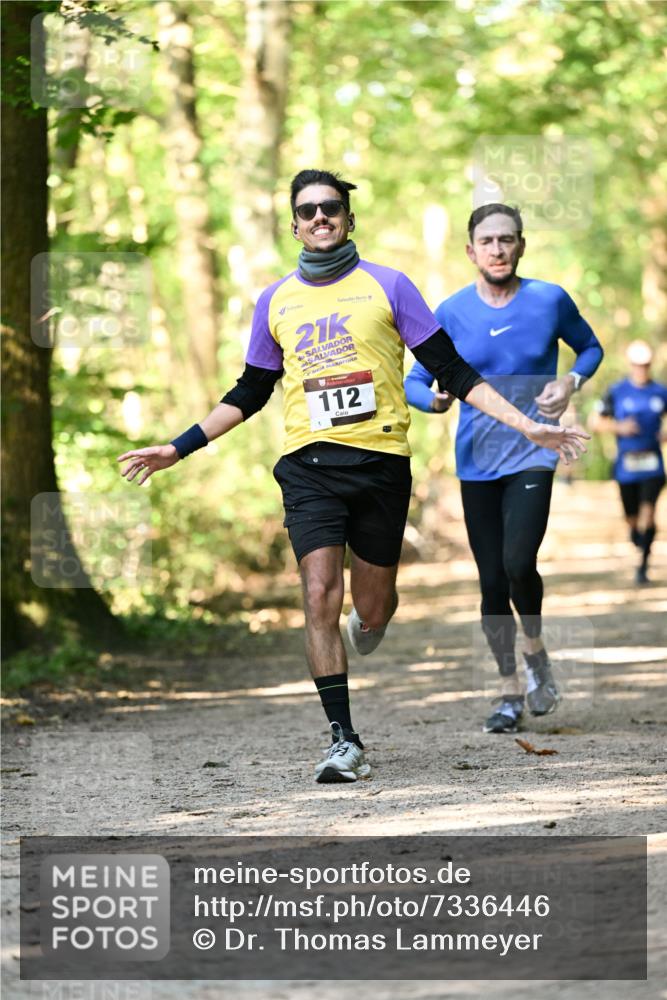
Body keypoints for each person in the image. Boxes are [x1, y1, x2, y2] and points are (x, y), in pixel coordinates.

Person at [118, 176, 589, 781]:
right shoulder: (275, 300)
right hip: (308, 467)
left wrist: (531, 428)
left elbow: (452, 371)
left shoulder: (389, 286)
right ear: (295, 225)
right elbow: (252, 390)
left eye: (330, 207)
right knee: (319, 594)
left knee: (372, 610)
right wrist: (177, 447)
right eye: (307, 210)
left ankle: (373, 616)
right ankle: (344, 739)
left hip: (380, 466)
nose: (320, 216)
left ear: (348, 217)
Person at [405, 203, 603, 735]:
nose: (497, 249)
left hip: (535, 452)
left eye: (506, 239)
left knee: (518, 562)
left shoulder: (549, 299)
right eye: (487, 241)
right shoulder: (450, 311)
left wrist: (570, 382)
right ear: (471, 251)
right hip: (477, 460)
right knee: (491, 580)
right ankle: (509, 691)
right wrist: (434, 401)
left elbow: (590, 348)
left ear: (521, 246)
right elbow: (414, 380)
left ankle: (536, 652)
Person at [591, 339, 666, 585]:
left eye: (645, 364)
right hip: (627, 465)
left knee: (649, 512)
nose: (641, 369)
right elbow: (595, 421)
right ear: (630, 364)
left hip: (652, 464)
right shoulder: (617, 391)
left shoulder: (660, 392)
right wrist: (619, 427)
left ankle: (643, 565)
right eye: (637, 364)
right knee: (632, 516)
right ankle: (635, 533)